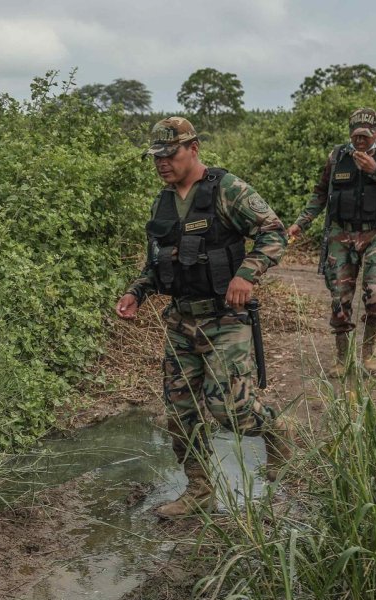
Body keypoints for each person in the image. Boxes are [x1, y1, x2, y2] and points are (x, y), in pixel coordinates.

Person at [115, 117, 300, 518]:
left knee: (231, 410)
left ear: (193, 148)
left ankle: (277, 430)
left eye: (170, 154)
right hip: (181, 320)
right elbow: (157, 262)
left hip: (225, 319)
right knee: (180, 414)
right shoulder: (163, 201)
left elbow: (273, 231)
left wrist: (246, 274)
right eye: (156, 157)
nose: (162, 163)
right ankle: (199, 491)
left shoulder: (226, 189)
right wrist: (136, 292)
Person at [287, 107, 376, 377]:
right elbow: (320, 194)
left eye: (366, 136)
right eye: (356, 136)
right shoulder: (337, 155)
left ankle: (369, 353)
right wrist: (300, 223)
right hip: (340, 234)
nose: (360, 141)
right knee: (339, 297)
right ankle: (343, 358)